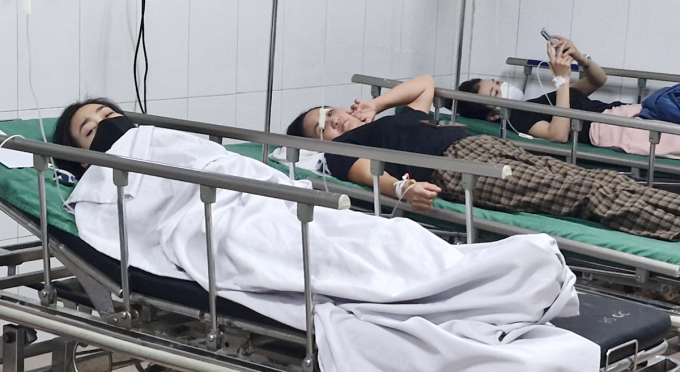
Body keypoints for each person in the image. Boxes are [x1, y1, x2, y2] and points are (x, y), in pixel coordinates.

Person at [52, 98, 599, 372]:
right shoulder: (101, 183)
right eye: (91, 129)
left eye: (109, 113)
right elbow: (138, 224)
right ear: (79, 156)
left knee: (383, 240)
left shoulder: (166, 139)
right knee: (324, 254)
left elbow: (239, 170)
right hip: (217, 225)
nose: (107, 124)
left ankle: (484, 276)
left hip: (271, 203)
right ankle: (485, 283)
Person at [287, 75, 680, 241]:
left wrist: (377, 104)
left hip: (483, 147)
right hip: (460, 171)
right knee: (583, 193)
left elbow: (425, 84)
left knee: (601, 180)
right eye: (321, 128)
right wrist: (404, 190)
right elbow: (369, 176)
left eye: (329, 112)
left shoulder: (392, 119)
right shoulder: (341, 154)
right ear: (320, 144)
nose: (333, 120)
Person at [456, 37, 680, 158]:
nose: (503, 86)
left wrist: (580, 58)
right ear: (492, 116)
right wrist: (561, 80)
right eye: (496, 92)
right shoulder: (515, 117)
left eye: (497, 83)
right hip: (610, 129)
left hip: (630, 112)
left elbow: (597, 80)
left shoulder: (538, 102)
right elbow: (558, 135)